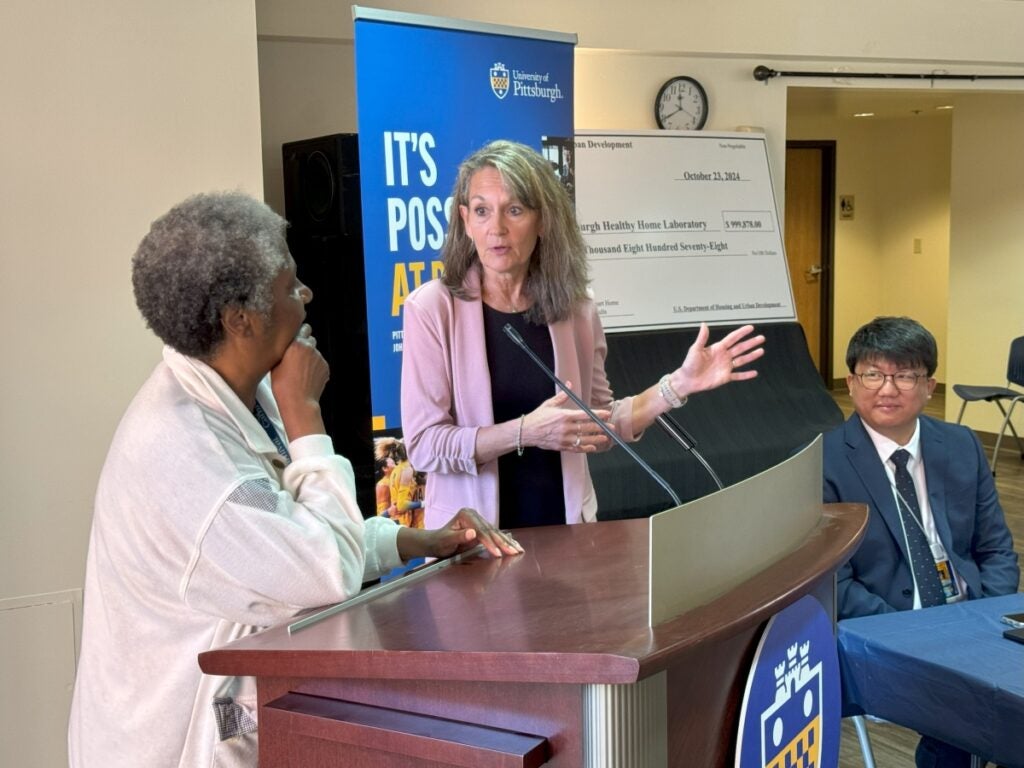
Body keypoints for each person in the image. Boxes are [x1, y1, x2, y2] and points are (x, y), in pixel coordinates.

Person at [68, 192, 522, 768]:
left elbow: (290, 534)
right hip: (168, 743)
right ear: (240, 319)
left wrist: (414, 542)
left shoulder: (240, 391)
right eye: (289, 284)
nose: (306, 294)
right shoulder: (185, 455)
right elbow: (319, 572)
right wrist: (306, 414)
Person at [400, 140, 765, 530]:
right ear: (465, 220)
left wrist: (677, 385)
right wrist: (525, 432)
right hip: (472, 543)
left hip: (565, 531)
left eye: (515, 210)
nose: (497, 228)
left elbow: (599, 425)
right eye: (482, 211)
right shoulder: (433, 309)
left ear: (542, 221)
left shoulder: (575, 310)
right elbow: (425, 447)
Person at [822, 316, 1019, 768]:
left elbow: (996, 549)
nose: (887, 389)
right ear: (852, 383)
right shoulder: (825, 460)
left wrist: (988, 616)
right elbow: (837, 582)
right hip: (890, 627)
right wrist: (918, 636)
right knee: (962, 714)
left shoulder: (961, 444)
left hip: (973, 615)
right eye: (873, 374)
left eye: (905, 375)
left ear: (929, 386)